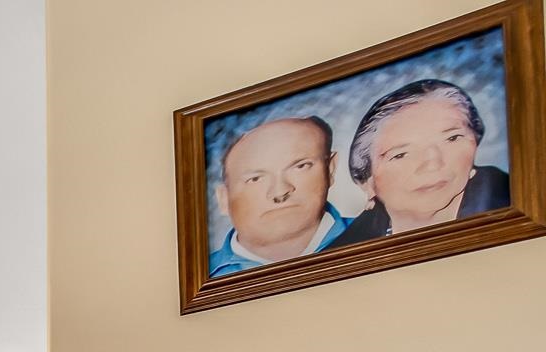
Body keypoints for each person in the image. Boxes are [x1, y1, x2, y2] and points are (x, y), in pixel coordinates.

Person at [329, 78, 510, 247]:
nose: (432, 163)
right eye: (401, 155)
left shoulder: (509, 203)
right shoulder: (340, 254)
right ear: (368, 184)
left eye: (452, 138)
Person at [209, 116, 347, 276]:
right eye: (255, 179)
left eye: (300, 166)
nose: (280, 192)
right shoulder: (199, 277)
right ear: (223, 199)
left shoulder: (376, 236)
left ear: (330, 169)